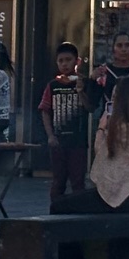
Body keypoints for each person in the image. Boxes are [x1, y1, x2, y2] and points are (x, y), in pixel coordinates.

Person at [53, 73, 129, 215]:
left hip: (121, 198)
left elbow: (102, 159)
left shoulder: (122, 130)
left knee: (58, 205)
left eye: (114, 98)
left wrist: (101, 128)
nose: (112, 102)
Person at [39, 42, 90, 200]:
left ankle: (77, 210)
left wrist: (81, 91)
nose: (64, 64)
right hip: (59, 140)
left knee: (78, 180)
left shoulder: (83, 82)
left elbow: (90, 107)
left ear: (77, 61)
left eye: (68, 60)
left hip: (78, 140)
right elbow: (45, 110)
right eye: (61, 61)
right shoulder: (53, 85)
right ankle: (55, 208)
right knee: (58, 180)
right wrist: (50, 135)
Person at [90, 31, 129, 116]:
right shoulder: (104, 71)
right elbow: (92, 104)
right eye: (119, 45)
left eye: (127, 45)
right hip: (110, 118)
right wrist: (92, 80)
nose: (124, 49)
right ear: (113, 49)